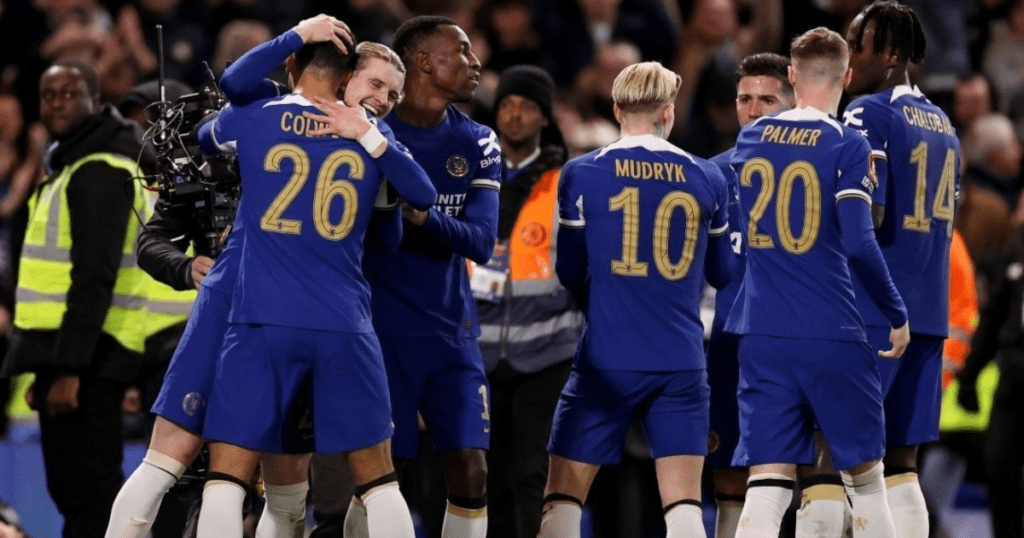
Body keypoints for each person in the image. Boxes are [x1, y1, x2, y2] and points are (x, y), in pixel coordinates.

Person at [193, 37, 436, 538]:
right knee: (380, 483)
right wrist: (367, 134)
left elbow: (207, 129)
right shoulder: (379, 140)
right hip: (343, 322)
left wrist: (298, 33)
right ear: (346, 79)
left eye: (393, 93)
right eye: (376, 85)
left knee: (225, 480)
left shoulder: (259, 114)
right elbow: (423, 196)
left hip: (261, 319)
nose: (384, 100)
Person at [536, 61, 733, 538]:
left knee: (562, 500)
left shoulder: (581, 173)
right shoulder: (707, 177)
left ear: (617, 107)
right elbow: (722, 274)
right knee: (683, 506)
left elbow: (569, 273)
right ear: (667, 111)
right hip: (680, 360)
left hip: (606, 357)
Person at [726, 27, 910, 538]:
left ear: (790, 75)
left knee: (766, 485)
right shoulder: (850, 144)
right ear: (848, 77)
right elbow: (857, 241)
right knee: (868, 483)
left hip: (760, 332)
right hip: (830, 329)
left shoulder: (750, 137)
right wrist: (895, 313)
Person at [1, 59, 154, 538]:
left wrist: (68, 371)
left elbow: (94, 278)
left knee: (89, 495)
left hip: (91, 361)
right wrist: (44, 369)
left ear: (95, 100)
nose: (58, 103)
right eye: (49, 95)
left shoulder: (100, 169)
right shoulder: (71, 164)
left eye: (70, 94)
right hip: (70, 356)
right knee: (74, 494)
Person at [363, 15, 501, 538]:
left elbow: (481, 242)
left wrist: (422, 215)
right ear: (423, 61)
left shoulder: (478, 140)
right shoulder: (369, 133)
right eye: (461, 52)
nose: (474, 62)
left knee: (471, 469)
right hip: (380, 332)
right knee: (382, 478)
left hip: (452, 333)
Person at [843, 3, 961, 537]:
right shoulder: (946, 125)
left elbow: (869, 212)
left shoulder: (869, 112)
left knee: (841, 455)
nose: (847, 59)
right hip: (929, 312)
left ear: (891, 54)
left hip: (877, 309)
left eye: (856, 46)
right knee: (902, 464)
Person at [473, 64, 582, 538]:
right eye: (507, 106)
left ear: (545, 117)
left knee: (533, 474)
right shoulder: (471, 174)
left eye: (528, 107)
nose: (515, 115)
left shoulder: (568, 180)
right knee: (485, 479)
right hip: (478, 352)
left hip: (547, 351)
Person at [706, 51, 795, 538]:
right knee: (726, 471)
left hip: (791, 343)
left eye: (767, 98)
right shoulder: (710, 175)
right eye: (745, 98)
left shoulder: (817, 171)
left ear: (791, 101)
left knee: (799, 474)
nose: (754, 108)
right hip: (727, 346)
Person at [956, 219, 1024, 538]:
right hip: (1013, 382)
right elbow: (993, 319)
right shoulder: (1016, 250)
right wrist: (969, 378)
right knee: (999, 472)